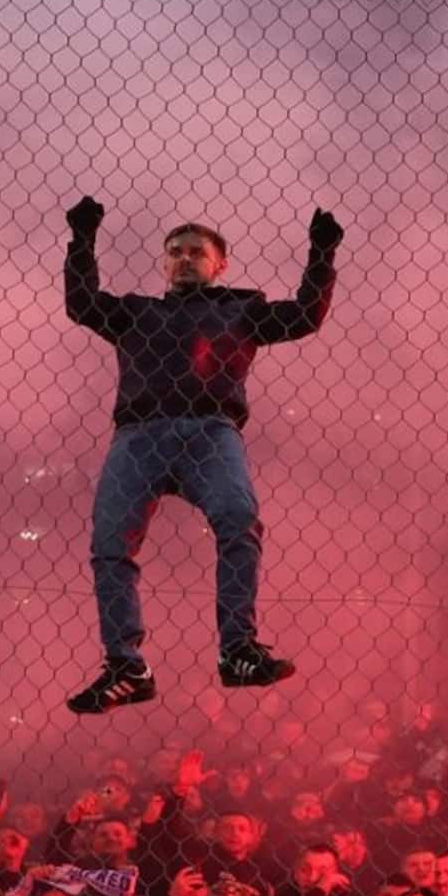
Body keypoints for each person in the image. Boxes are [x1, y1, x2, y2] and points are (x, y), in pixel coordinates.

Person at [61, 197, 344, 710]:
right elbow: (82, 302)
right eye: (175, 252)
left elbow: (304, 316)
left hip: (210, 432)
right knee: (109, 544)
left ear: (220, 264)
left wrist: (321, 254)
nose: (184, 259)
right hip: (139, 434)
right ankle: (126, 666)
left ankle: (237, 649)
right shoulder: (136, 312)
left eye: (196, 251)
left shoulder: (241, 309)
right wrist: (81, 241)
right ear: (165, 263)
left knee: (238, 519)